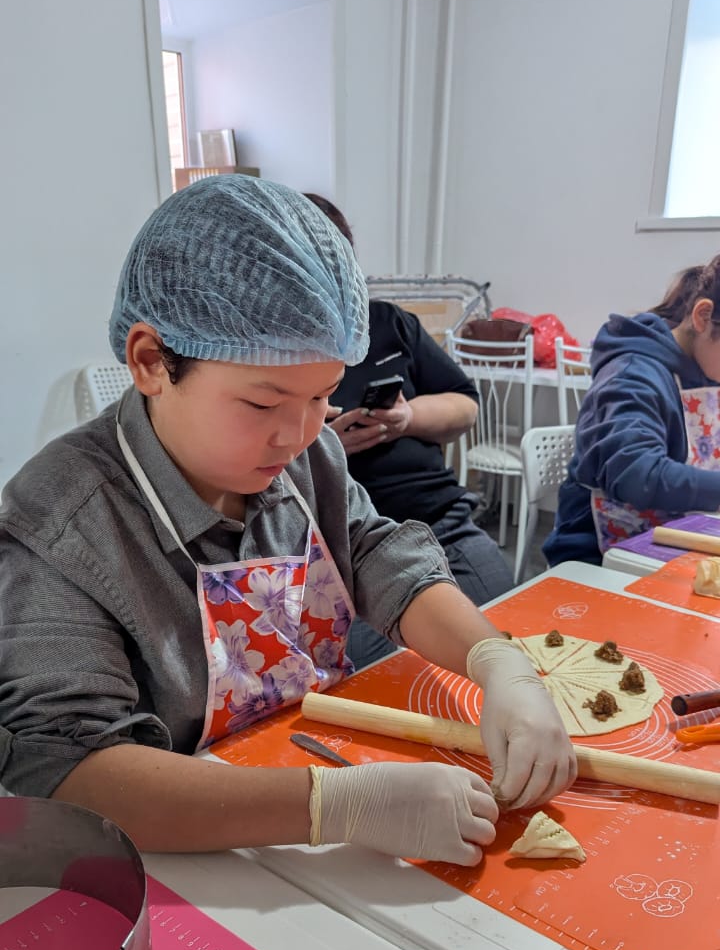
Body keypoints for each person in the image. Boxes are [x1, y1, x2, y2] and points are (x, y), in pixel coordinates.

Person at [0, 176, 575, 864]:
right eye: (262, 403)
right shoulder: (59, 525)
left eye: (323, 396)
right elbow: (75, 774)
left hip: (302, 763)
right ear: (151, 362)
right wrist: (334, 806)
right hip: (179, 854)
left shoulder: (307, 456)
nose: (299, 434)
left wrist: (497, 661)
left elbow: (372, 553)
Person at [304, 193, 513, 667]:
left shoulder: (390, 324)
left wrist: (407, 418)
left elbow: (465, 406)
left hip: (440, 523)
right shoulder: (277, 353)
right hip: (345, 551)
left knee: (508, 633)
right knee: (388, 673)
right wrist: (323, 445)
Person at [544, 257, 720, 567]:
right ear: (703, 316)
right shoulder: (631, 374)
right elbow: (637, 474)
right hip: (595, 556)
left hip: (673, 538)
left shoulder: (705, 369)